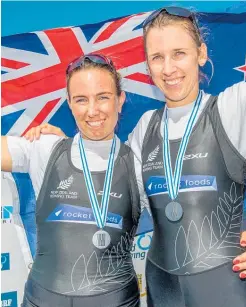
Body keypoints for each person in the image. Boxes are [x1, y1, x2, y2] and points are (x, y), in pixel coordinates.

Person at [22, 6, 246, 307]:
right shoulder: (145, 129)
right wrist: (56, 144)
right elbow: (103, 173)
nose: (168, 68)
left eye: (179, 53)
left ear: (201, 53)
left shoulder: (234, 109)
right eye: (157, 57)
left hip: (227, 280)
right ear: (148, 66)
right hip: (162, 287)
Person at [1, 54, 141, 307]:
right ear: (69, 104)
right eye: (81, 100)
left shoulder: (139, 163)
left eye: (103, 97)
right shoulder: (45, 148)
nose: (92, 110)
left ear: (120, 100)